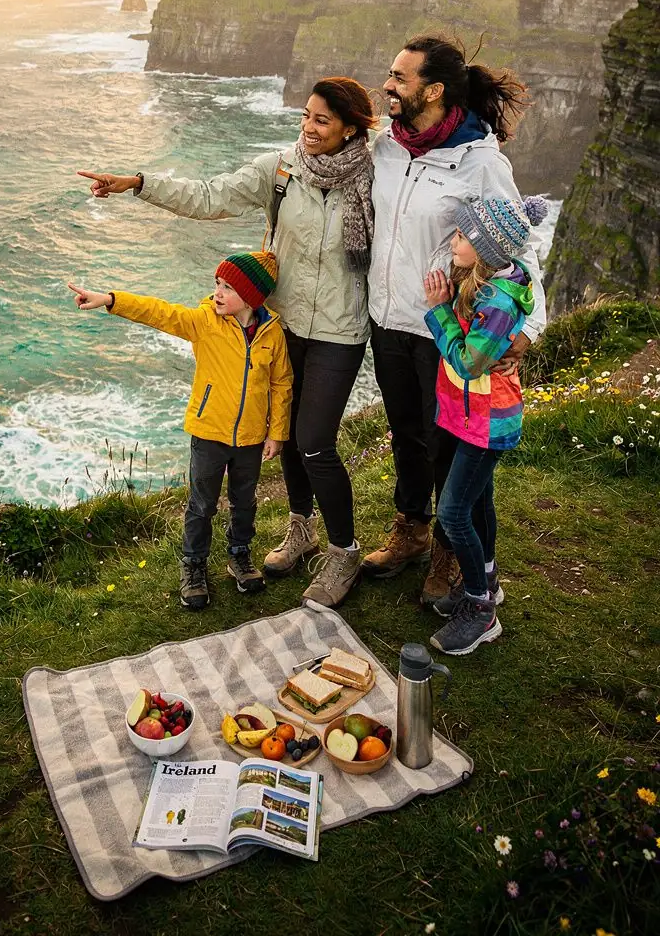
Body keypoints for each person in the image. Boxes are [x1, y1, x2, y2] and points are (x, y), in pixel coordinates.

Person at [77, 75, 378, 610]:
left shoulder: (380, 174)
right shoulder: (282, 170)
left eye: (321, 120)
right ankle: (300, 527)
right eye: (305, 116)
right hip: (279, 326)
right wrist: (138, 184)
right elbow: (210, 196)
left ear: (351, 130)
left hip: (339, 328)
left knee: (314, 443)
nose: (307, 127)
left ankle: (343, 550)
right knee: (283, 435)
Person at [363, 34, 547, 605]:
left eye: (400, 78)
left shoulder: (481, 161)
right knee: (406, 437)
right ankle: (410, 532)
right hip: (386, 316)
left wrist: (526, 329)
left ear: (435, 90)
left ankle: (448, 551)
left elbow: (524, 243)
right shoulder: (388, 147)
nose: (387, 86)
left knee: (445, 444)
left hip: (446, 328)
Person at [68, 250, 291, 611]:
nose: (217, 293)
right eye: (217, 284)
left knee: (244, 502)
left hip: (250, 437)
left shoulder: (272, 334)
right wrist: (111, 300)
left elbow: (282, 384)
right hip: (208, 434)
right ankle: (194, 566)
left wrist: (276, 432)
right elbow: (160, 312)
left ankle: (239, 555)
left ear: (251, 297)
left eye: (228, 287)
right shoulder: (205, 322)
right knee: (202, 505)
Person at [422, 194, 546, 655]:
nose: (453, 241)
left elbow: (468, 363)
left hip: (486, 421)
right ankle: (486, 585)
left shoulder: (496, 303)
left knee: (453, 512)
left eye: (462, 236)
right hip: (470, 416)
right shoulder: (483, 282)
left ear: (487, 248)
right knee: (477, 506)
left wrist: (437, 310)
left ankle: (480, 610)